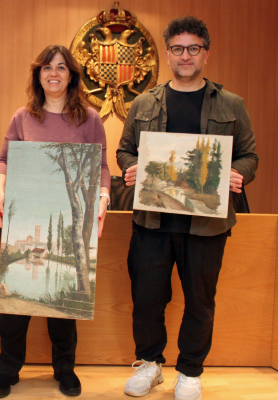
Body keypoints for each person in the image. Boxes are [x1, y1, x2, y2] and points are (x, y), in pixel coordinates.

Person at [117, 16, 258, 400]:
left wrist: (236, 173)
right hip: (151, 219)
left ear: (205, 54)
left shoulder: (231, 104)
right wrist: (130, 168)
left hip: (206, 223)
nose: (185, 56)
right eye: (177, 49)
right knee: (147, 297)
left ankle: (190, 371)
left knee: (200, 299)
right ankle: (149, 364)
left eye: (193, 48)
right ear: (167, 54)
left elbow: (249, 156)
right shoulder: (144, 102)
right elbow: (125, 150)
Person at [0, 44, 111, 398]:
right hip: (26, 214)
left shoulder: (90, 119)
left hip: (72, 220)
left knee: (64, 303)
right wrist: (0, 190)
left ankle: (65, 370)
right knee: (16, 302)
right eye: (46, 68)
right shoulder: (22, 117)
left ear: (71, 74)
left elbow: (101, 167)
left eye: (60, 67)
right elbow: (2, 161)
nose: (53, 73)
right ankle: (6, 371)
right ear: (37, 75)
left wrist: (102, 199)